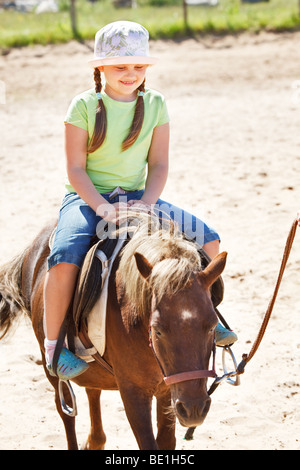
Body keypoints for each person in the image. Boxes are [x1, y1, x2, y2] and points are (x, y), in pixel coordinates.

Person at [44, 21, 237, 381]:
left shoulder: (156, 104)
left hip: (140, 198)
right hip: (87, 199)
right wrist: (102, 208)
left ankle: (208, 320)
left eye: (138, 66)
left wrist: (147, 204)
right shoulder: (84, 105)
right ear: (100, 67)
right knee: (66, 255)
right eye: (120, 66)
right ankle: (54, 346)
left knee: (208, 238)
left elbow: (159, 165)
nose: (130, 74)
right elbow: (75, 168)